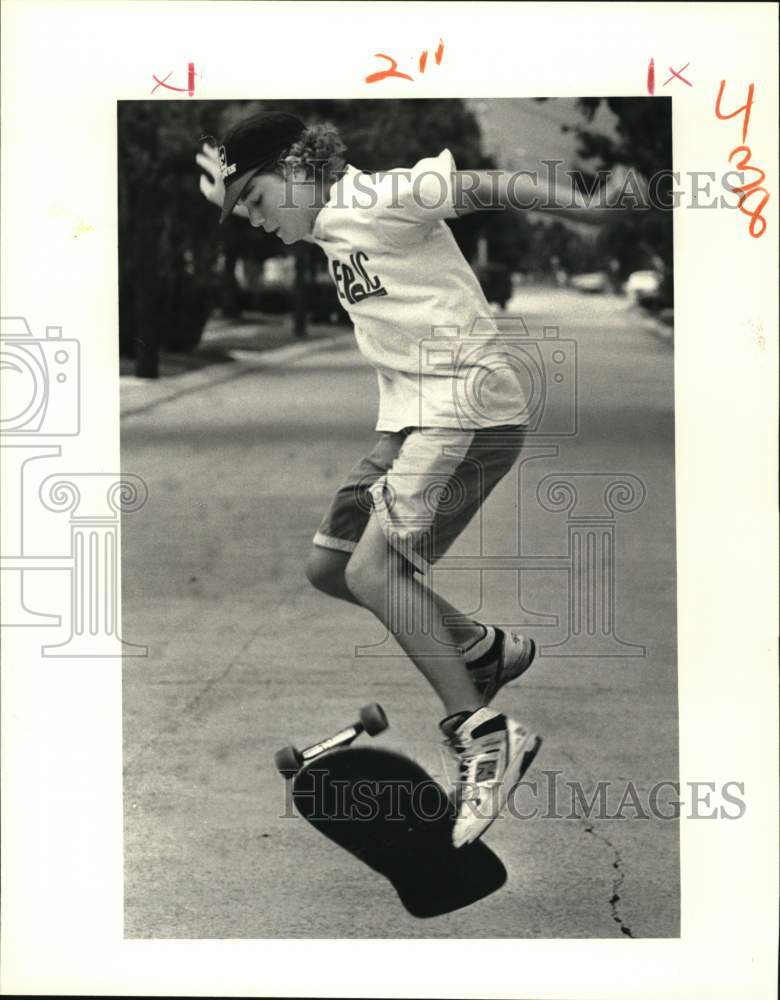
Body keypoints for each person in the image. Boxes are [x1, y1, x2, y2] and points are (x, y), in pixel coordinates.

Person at [196, 110, 605, 847]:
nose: (254, 222)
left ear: (296, 168)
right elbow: (287, 205)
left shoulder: (381, 196)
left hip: (464, 409)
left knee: (375, 568)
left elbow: (486, 183)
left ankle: (484, 735)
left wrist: (588, 201)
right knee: (331, 566)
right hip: (411, 422)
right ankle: (482, 651)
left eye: (256, 201)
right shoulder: (325, 220)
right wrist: (229, 182)